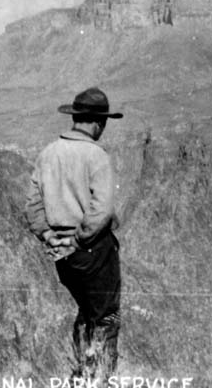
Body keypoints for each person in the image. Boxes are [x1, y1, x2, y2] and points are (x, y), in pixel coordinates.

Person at [25, 87, 124, 381]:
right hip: (92, 250)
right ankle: (98, 379)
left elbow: (32, 206)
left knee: (85, 310)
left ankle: (81, 371)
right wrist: (80, 239)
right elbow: (101, 210)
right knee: (106, 316)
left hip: (62, 255)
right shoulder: (96, 156)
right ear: (97, 122)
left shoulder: (48, 154)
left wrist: (49, 236)